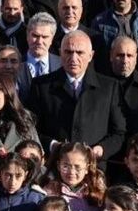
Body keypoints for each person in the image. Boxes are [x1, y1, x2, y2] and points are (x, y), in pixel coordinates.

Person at [28, 30, 128, 168]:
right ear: (60, 53)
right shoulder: (41, 86)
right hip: (55, 168)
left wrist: (100, 149)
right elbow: (31, 129)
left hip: (94, 169)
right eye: (68, 52)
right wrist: (52, 145)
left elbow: (119, 132)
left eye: (80, 53)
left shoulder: (109, 87)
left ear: (90, 55)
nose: (73, 58)